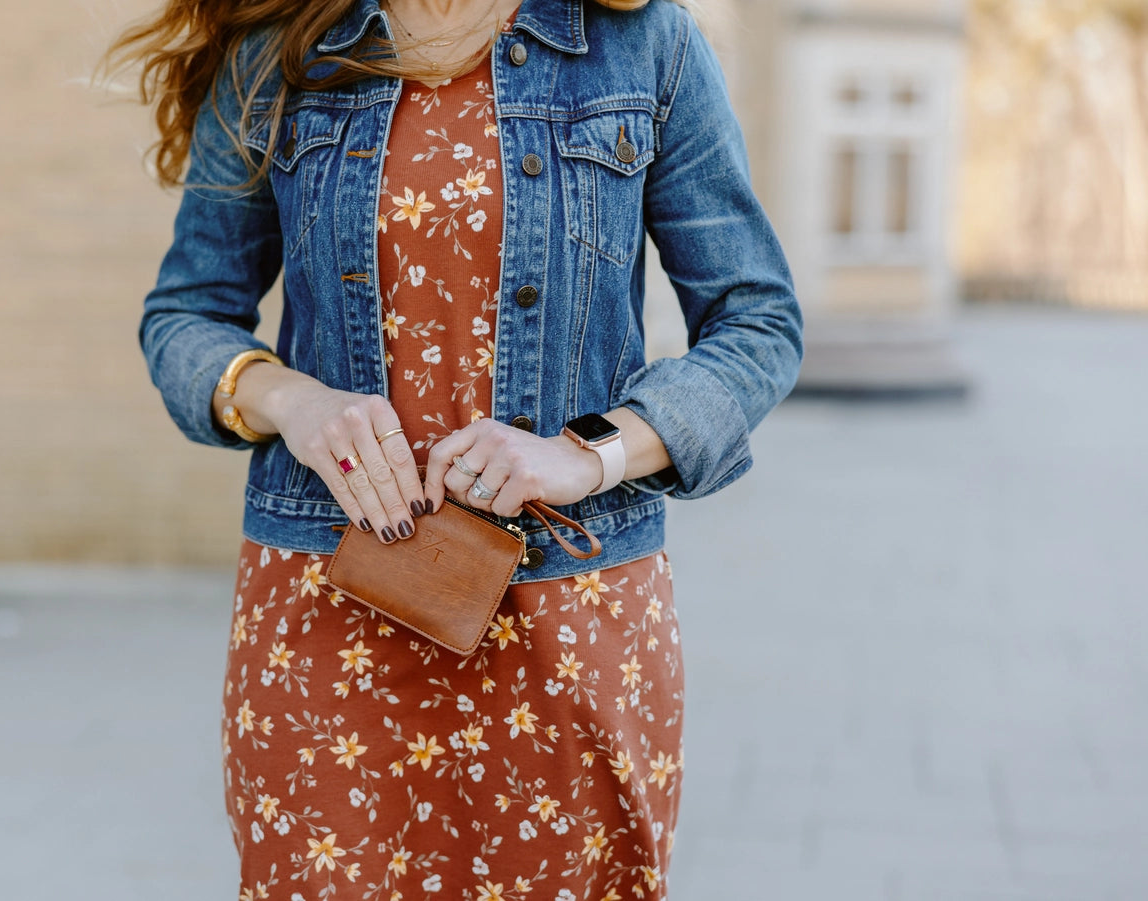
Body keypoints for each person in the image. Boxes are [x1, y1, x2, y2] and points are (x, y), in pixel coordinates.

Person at [105, 0, 801, 896]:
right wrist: (294, 400)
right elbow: (185, 315)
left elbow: (757, 323)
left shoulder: (644, 47)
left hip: (568, 610)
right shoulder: (274, 53)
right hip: (329, 609)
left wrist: (587, 453)